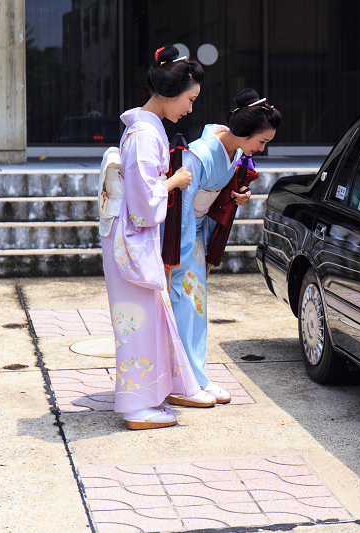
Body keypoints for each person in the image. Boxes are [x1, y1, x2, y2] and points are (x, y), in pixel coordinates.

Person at [102, 45, 216, 430]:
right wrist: (174, 181)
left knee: (144, 320)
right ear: (171, 92)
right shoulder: (144, 135)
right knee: (137, 322)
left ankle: (147, 398)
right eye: (189, 99)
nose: (189, 108)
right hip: (132, 238)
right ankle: (136, 407)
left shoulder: (146, 131)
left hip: (131, 237)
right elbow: (143, 203)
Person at [169, 89, 281, 402]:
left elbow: (223, 185)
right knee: (183, 304)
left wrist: (236, 193)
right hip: (184, 231)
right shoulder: (202, 152)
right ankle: (181, 382)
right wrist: (181, 250)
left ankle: (196, 376)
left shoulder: (230, 150)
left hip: (198, 231)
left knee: (197, 307)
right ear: (245, 133)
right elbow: (185, 199)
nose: (261, 148)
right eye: (261, 141)